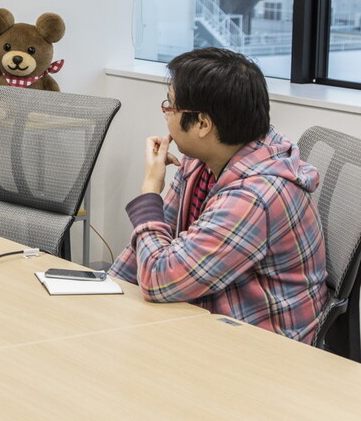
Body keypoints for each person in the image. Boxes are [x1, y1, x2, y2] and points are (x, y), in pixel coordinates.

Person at [108, 47, 328, 343]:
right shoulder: (202, 160)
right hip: (210, 311)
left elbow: (160, 279)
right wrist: (107, 289)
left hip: (263, 345)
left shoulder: (254, 198)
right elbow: (154, 244)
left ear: (202, 124)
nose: (166, 116)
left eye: (170, 107)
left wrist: (150, 192)